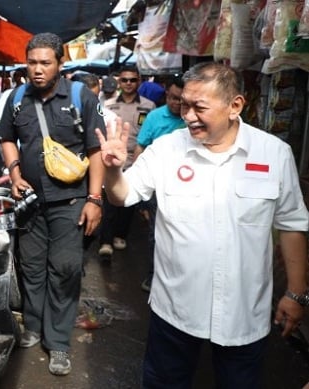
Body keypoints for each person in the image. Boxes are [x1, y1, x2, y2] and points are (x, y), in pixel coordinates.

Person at [98, 62, 309, 388]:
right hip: (175, 309)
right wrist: (112, 170)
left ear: (235, 106)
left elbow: (292, 224)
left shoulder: (274, 154)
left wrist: (296, 292)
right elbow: (122, 196)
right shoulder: (167, 149)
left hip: (244, 312)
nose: (189, 115)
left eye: (200, 107)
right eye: (185, 104)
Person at [0, 32, 105, 376]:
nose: (38, 70)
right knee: (30, 266)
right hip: (29, 202)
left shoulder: (80, 97)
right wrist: (14, 174)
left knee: (65, 268)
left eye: (45, 62)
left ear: (60, 63)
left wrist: (95, 199)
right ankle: (33, 326)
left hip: (70, 201)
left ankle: (57, 343)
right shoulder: (16, 98)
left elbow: (95, 151)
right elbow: (7, 138)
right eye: (32, 62)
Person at [133, 75, 185, 292]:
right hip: (158, 186)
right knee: (158, 233)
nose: (177, 103)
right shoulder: (153, 117)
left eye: (181, 99)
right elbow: (140, 148)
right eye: (173, 98)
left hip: (186, 187)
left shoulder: (193, 120)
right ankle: (154, 274)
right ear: (167, 95)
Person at [98, 66, 155, 256]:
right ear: (119, 82)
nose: (128, 83)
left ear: (138, 81)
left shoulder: (148, 106)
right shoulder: (108, 104)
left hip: (136, 159)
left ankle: (119, 235)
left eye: (132, 80)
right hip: (112, 159)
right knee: (108, 203)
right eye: (124, 80)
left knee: (128, 203)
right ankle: (105, 240)